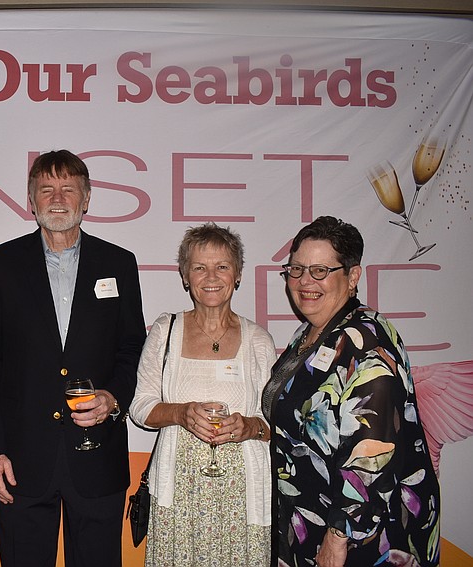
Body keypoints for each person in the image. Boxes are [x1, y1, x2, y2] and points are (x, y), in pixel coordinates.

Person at [0, 149, 146, 567]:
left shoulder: (118, 263)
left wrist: (113, 397)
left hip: (98, 457)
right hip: (19, 462)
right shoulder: (1, 264)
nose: (58, 198)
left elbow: (132, 348)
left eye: (69, 188)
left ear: (87, 198)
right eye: (47, 189)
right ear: (32, 200)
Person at [262, 216, 440, 567]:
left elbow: (374, 452)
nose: (304, 281)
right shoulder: (308, 333)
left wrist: (339, 536)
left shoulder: (368, 341)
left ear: (353, 276)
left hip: (363, 535)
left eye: (320, 270)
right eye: (296, 269)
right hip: (308, 516)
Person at [129, 223, 274, 566]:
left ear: (238, 274)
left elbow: (276, 424)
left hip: (242, 497)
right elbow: (140, 406)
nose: (211, 277)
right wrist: (181, 413)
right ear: (185, 276)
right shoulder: (165, 331)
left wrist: (249, 427)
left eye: (222, 266)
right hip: (178, 495)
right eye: (199, 267)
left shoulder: (258, 340)